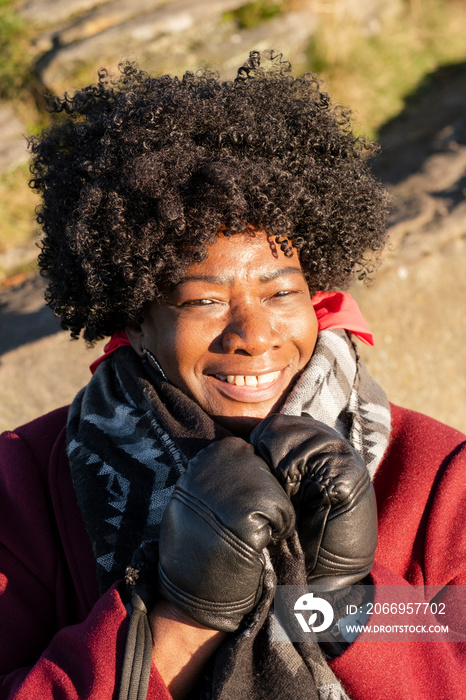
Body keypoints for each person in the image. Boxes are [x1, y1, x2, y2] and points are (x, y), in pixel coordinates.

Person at [0, 50, 465, 700]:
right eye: (204, 300)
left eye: (280, 294)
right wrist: (186, 617)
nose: (254, 336)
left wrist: (337, 600)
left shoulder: (439, 476)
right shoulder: (22, 488)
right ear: (133, 319)